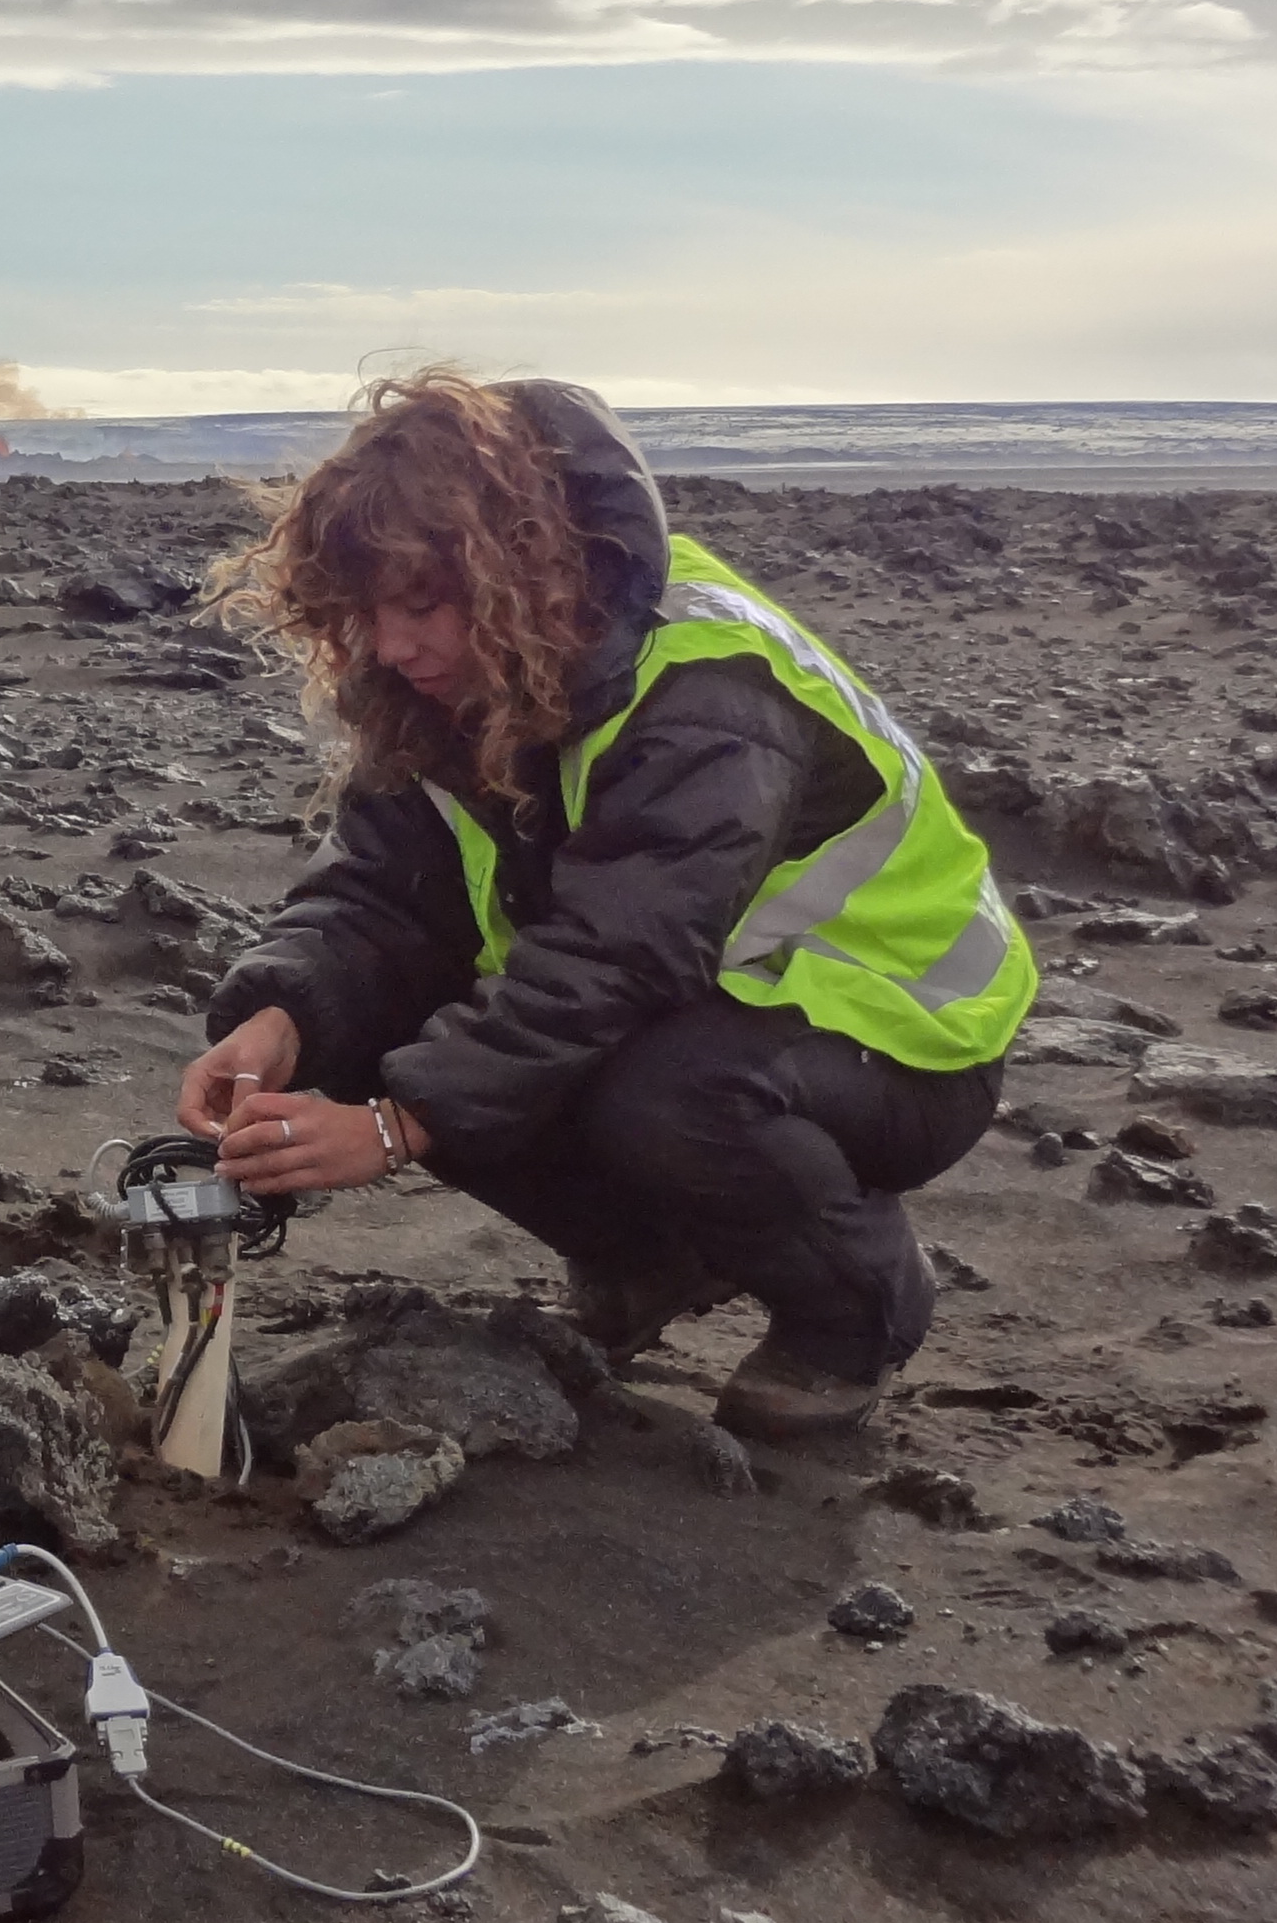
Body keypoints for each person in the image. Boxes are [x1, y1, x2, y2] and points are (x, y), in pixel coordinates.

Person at [174, 372, 1034, 1442]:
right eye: (368, 614)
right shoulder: (443, 689)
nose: (392, 647)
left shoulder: (708, 688)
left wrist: (396, 1130)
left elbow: (618, 958)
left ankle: (854, 1310)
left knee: (654, 1094)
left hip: (905, 1039)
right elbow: (381, 893)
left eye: (422, 603)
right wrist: (284, 1014)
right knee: (381, 1033)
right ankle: (648, 1260)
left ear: (515, 565)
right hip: (713, 1005)